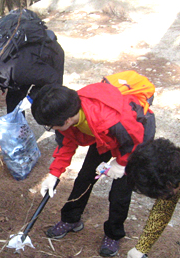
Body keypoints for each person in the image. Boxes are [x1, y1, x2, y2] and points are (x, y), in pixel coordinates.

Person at [31, 83, 156, 257]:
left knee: (120, 192)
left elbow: (139, 140)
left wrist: (121, 163)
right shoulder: (68, 112)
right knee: (85, 177)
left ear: (66, 120)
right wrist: (54, 173)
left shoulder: (113, 120)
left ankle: (113, 234)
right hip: (101, 137)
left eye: (50, 126)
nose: (51, 129)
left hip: (132, 140)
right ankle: (71, 219)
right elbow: (67, 143)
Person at [0, 37, 65, 146]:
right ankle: (19, 136)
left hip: (48, 56)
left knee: (52, 102)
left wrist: (31, 97)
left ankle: (63, 143)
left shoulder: (18, 71)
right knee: (14, 102)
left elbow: (52, 78)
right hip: (23, 58)